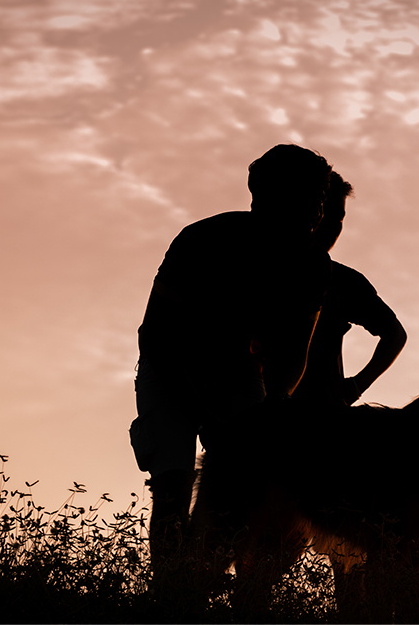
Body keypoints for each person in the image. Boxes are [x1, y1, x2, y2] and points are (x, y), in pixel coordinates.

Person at [129, 144, 333, 589]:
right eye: (311, 194)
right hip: (169, 370)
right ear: (270, 196)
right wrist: (213, 417)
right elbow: (160, 338)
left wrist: (274, 408)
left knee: (255, 489)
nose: (320, 207)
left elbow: (295, 353)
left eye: (322, 195)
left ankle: (244, 592)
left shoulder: (314, 265)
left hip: (238, 371)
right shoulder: (201, 240)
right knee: (173, 486)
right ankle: (171, 598)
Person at [291, 171, 407, 409]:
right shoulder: (261, 268)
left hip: (325, 418)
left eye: (339, 218)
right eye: (326, 214)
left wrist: (356, 386)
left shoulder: (345, 281)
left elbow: (395, 334)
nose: (333, 226)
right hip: (263, 414)